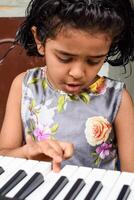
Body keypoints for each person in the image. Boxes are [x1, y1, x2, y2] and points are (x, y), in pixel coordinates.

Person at [0, 0, 134, 173]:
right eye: (65, 58)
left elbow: (130, 177)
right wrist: (26, 153)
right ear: (40, 40)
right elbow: (3, 155)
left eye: (94, 61)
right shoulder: (24, 86)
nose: (78, 72)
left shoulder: (117, 99)